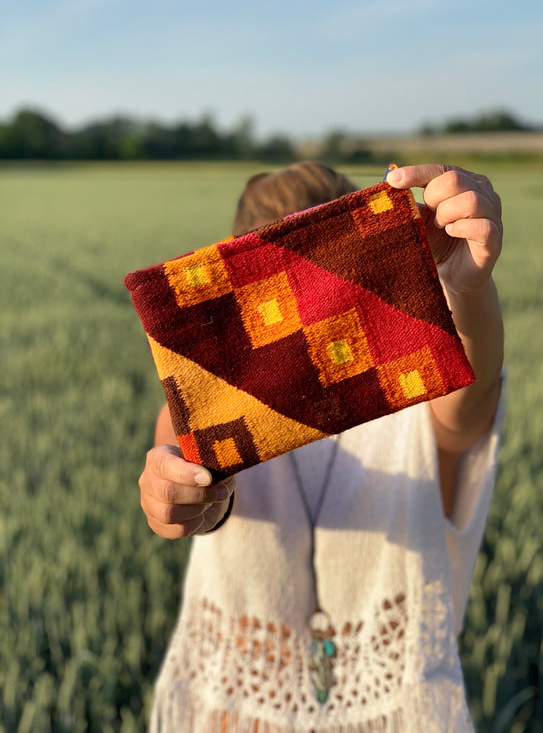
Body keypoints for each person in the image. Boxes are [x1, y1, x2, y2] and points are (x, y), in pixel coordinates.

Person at [138, 160, 504, 732]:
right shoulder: (217, 402)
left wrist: (467, 290)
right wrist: (175, 493)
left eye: (319, 284)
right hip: (237, 712)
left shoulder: (413, 381)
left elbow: (469, 405)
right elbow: (182, 466)